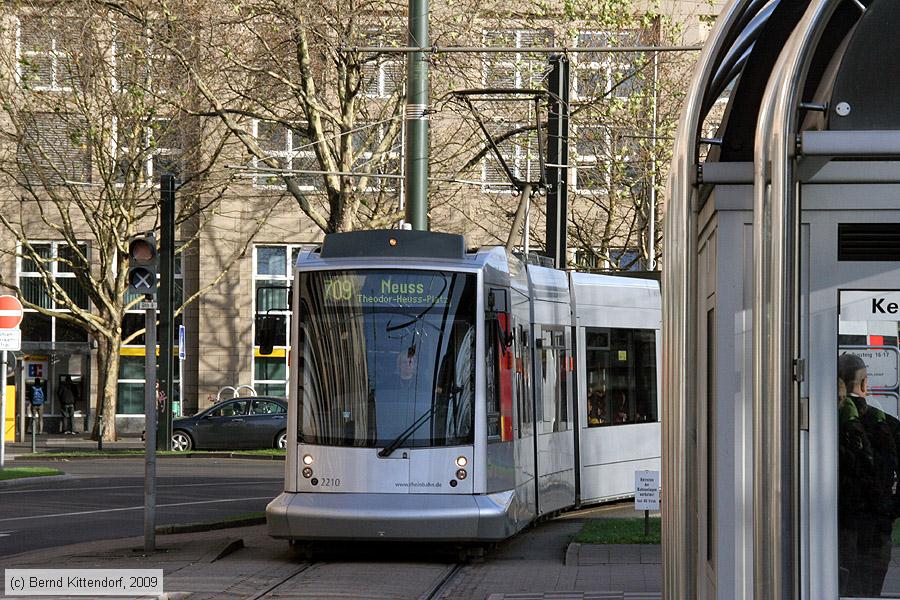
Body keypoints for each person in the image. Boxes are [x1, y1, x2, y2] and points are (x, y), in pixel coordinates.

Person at [837, 352, 900, 596]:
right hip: (877, 529)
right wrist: (890, 510)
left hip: (841, 527)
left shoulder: (829, 425)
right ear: (864, 384)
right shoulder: (888, 424)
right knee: (869, 592)